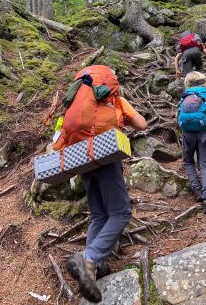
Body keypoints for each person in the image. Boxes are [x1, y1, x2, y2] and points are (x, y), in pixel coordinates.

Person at [54, 65, 147, 303]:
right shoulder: (114, 98)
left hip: (81, 157)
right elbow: (142, 124)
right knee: (120, 212)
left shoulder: (77, 98)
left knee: (98, 215)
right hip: (105, 155)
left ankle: (93, 269)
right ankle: (90, 258)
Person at [178, 71, 206, 214]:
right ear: (203, 82)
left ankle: (196, 189)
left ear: (188, 83)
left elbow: (177, 115)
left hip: (188, 134)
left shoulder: (184, 96)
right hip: (204, 133)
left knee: (188, 161)